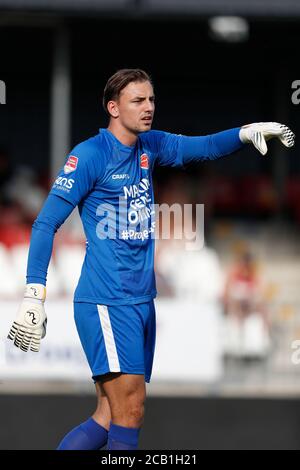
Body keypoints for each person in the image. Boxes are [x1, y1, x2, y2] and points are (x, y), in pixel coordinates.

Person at [7, 69, 295, 450]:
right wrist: (33, 295)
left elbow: (204, 146)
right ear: (113, 107)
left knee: (108, 417)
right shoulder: (89, 155)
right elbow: (45, 224)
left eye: (152, 99)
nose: (148, 108)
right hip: (108, 300)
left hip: (142, 300)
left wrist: (243, 133)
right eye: (137, 100)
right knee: (131, 414)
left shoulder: (151, 145)